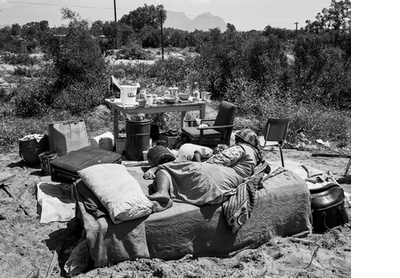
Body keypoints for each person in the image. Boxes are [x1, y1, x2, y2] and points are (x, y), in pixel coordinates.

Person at [144, 129, 263, 212]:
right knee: (176, 172)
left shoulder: (242, 148)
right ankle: (164, 200)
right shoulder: (253, 157)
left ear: (244, 141)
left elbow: (218, 160)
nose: (236, 143)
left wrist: (197, 163)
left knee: (167, 168)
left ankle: (163, 193)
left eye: (237, 140)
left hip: (213, 179)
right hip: (223, 189)